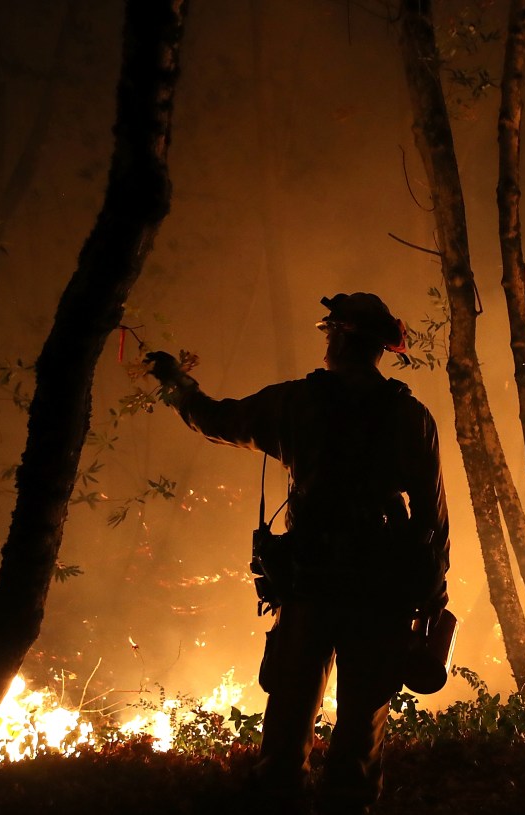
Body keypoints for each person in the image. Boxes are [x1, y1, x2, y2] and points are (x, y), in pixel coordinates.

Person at [145, 292, 450, 815]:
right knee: (360, 735)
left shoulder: (297, 403)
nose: (326, 340)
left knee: (288, 724)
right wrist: (430, 593)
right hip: (380, 595)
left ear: (338, 339)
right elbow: (431, 518)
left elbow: (219, 421)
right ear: (379, 349)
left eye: (330, 332)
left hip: (310, 586)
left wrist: (177, 386)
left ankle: (280, 801)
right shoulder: (409, 416)